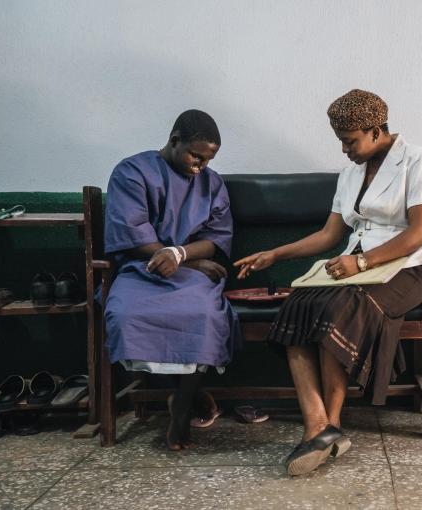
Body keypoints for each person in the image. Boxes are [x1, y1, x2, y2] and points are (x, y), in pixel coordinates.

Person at [234, 89, 422, 475]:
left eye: (350, 142)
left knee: (336, 308)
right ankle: (319, 427)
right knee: (298, 304)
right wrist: (276, 254)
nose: (345, 151)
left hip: (404, 269)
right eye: (341, 143)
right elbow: (330, 235)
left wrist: (361, 261)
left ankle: (329, 425)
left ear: (376, 130)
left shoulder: (417, 160)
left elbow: (420, 231)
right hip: (353, 266)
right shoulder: (350, 174)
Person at [103, 110, 239, 450]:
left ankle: (182, 403)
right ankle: (173, 396)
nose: (201, 165)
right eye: (196, 155)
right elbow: (132, 234)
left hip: (191, 270)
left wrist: (181, 256)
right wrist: (183, 261)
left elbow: (216, 237)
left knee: (205, 314)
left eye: (209, 158)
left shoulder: (212, 183)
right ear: (174, 140)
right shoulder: (132, 172)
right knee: (125, 314)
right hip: (142, 269)